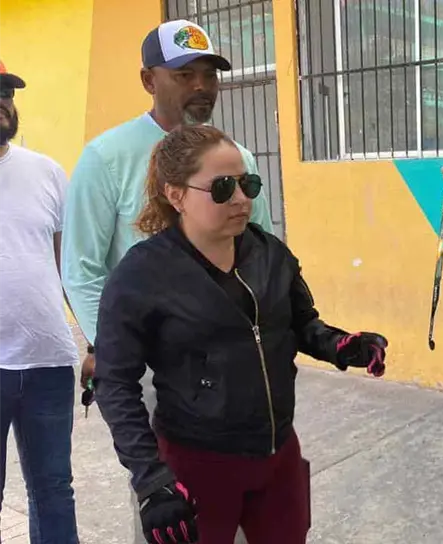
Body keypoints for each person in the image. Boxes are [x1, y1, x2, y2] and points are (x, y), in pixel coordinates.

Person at [93, 124, 389, 544]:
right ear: (176, 194)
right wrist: (150, 479)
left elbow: (302, 323)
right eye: (221, 188)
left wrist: (343, 346)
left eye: (247, 183)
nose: (240, 198)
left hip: (277, 456)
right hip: (196, 464)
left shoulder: (270, 252)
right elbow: (115, 382)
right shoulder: (141, 276)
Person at [59, 19, 274, 542]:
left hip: (235, 366)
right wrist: (115, 349)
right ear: (148, 80)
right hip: (157, 373)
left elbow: (262, 251)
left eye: (209, 74)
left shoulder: (237, 159)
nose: (201, 87)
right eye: (184, 74)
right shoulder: (106, 158)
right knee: (172, 511)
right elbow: (81, 268)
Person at [0, 60, 80, 544]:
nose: (1, 102)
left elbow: (69, 269)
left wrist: (95, 339)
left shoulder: (47, 172)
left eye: (6, 92)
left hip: (49, 362)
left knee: (53, 490)